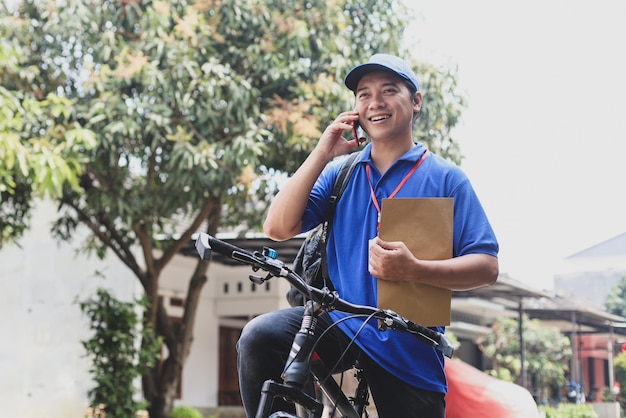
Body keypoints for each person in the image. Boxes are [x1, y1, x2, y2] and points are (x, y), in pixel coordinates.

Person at [237, 53, 499, 417]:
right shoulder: (339, 173)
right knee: (260, 336)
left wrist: (415, 270)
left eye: (389, 90)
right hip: (340, 324)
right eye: (363, 94)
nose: (375, 102)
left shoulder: (446, 179)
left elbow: (486, 266)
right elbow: (277, 228)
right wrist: (322, 150)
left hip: (409, 343)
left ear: (416, 101)